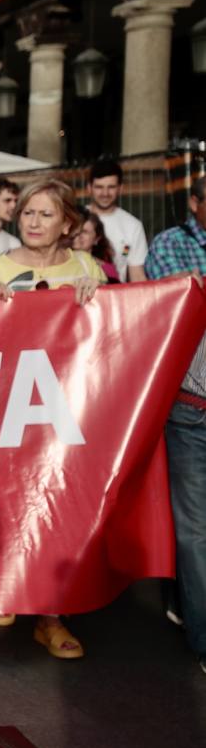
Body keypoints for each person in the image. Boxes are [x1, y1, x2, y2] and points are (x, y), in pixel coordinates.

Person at [0, 179, 104, 659]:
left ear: (68, 222)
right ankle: (8, 585)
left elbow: (117, 333)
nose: (33, 221)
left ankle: (50, 615)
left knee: (60, 503)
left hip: (68, 407)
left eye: (46, 214)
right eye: (28, 212)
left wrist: (102, 297)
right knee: (9, 496)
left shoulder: (89, 268)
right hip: (9, 406)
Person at [144, 173, 206, 677]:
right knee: (196, 531)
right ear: (194, 202)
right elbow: (169, 308)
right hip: (192, 409)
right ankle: (204, 639)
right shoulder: (171, 246)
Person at [87, 159, 147, 282]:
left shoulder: (133, 226)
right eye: (99, 187)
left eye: (111, 187)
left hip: (114, 295)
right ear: (89, 188)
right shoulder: (76, 218)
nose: (105, 193)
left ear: (121, 188)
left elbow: (137, 276)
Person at [71, 209, 120, 283]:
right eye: (75, 230)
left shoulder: (107, 269)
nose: (78, 235)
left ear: (96, 239)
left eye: (85, 232)